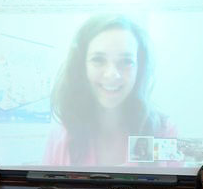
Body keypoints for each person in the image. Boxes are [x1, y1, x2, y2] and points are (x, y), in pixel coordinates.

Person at [44, 14, 175, 167]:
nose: (112, 74)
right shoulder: (60, 136)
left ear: (140, 69)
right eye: (98, 60)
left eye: (126, 61)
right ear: (81, 67)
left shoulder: (164, 132)